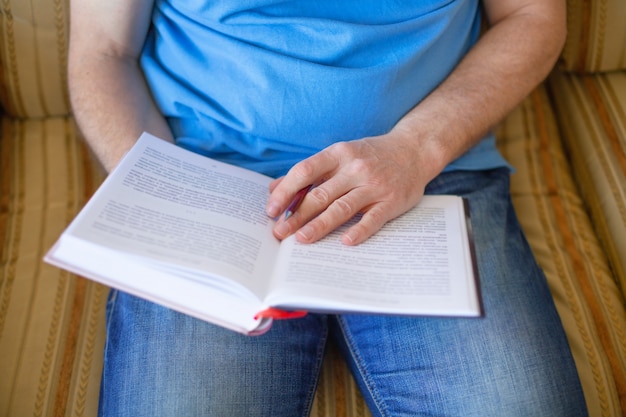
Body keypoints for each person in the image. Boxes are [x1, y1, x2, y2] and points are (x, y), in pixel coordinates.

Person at [69, 0, 588, 416]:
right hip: (214, 183)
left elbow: (532, 15)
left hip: (427, 170)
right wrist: (168, 192)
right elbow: (103, 49)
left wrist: (417, 149)